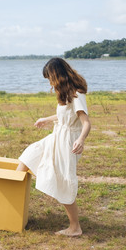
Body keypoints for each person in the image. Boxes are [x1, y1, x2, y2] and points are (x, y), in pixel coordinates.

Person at [16, 57, 91, 237]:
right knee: (29, 154)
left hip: (67, 143)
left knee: (63, 182)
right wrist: (46, 119)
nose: (49, 83)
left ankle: (75, 228)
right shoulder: (65, 93)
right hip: (56, 136)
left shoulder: (76, 95)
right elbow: (64, 116)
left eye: (50, 78)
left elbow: (86, 123)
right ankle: (12, 204)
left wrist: (81, 140)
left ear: (57, 75)